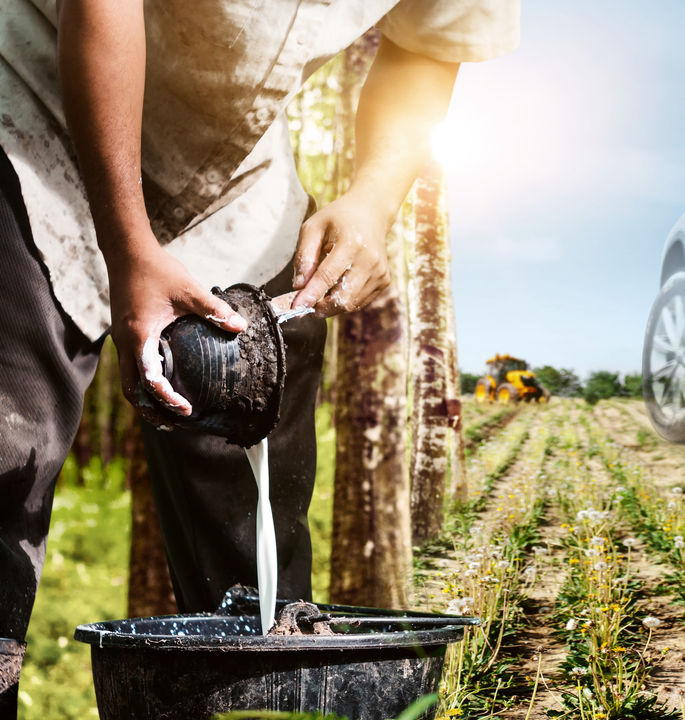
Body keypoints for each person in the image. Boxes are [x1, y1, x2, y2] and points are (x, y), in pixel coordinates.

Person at [0, 0, 518, 713]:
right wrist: (128, 245)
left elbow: (428, 43)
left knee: (255, 564)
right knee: (7, 447)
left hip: (229, 178)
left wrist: (371, 199)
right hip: (33, 107)